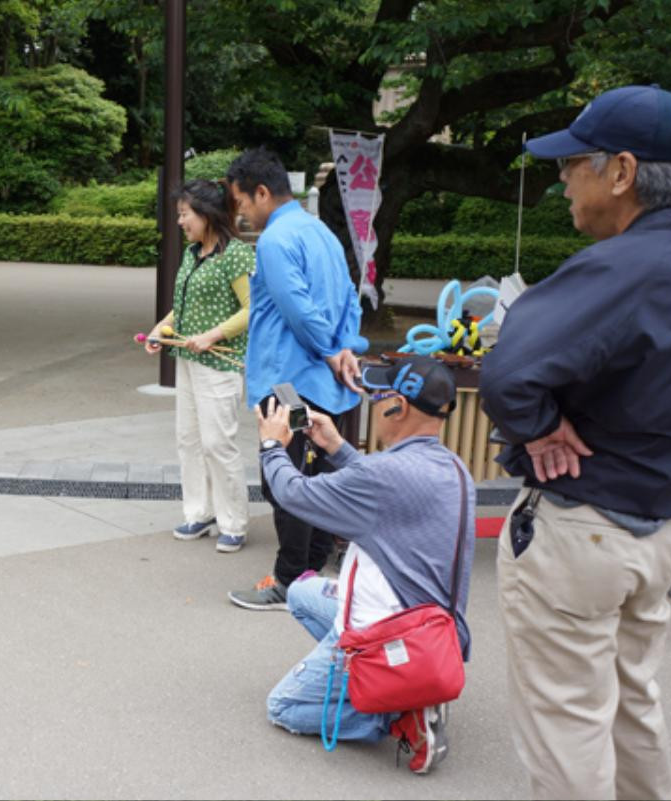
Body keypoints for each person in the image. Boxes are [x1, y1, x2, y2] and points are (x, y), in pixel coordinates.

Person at [478, 84, 671, 800]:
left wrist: (538, 426)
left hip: (586, 526)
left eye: (576, 163)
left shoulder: (621, 266)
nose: (564, 178)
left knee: (569, 731)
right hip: (662, 525)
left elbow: (505, 371)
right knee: (633, 707)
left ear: (622, 171)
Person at [258, 355, 475, 775]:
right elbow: (386, 487)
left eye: (379, 395)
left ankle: (396, 711)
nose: (373, 403)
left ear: (398, 407)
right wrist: (336, 447)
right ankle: (400, 685)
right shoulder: (452, 466)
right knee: (302, 593)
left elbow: (295, 494)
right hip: (433, 631)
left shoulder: (384, 474)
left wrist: (271, 446)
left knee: (282, 706)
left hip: (389, 635)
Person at [223, 147, 369, 609]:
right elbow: (349, 295)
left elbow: (295, 306)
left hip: (289, 381)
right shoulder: (320, 231)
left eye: (242, 202)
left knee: (283, 478)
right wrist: (344, 347)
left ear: (262, 192)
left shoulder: (273, 240)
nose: (240, 213)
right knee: (319, 475)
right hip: (324, 380)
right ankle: (312, 568)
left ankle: (290, 581)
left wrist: (329, 352)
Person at [144, 180, 254, 552]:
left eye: (184, 214)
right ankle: (199, 513)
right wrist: (161, 329)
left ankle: (234, 522)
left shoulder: (237, 254)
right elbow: (185, 305)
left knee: (217, 442)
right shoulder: (193, 253)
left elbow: (251, 310)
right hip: (188, 361)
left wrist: (213, 335)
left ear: (207, 214)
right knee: (188, 440)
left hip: (219, 364)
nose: (180, 222)